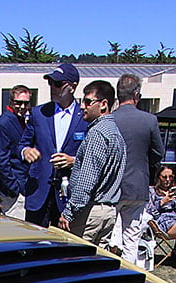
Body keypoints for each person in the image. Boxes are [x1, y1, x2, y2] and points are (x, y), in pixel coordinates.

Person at [58, 80, 126, 246]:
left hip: (90, 212)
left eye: (88, 102)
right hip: (109, 211)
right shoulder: (115, 132)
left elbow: (88, 179)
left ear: (103, 104)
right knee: (94, 266)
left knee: (75, 263)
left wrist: (68, 212)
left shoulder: (97, 133)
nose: (82, 106)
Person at [19, 63, 88, 227]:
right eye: (50, 83)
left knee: (64, 247)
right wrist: (26, 151)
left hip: (67, 195)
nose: (53, 88)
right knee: (33, 246)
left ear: (72, 87)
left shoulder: (84, 116)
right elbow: (22, 144)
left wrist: (73, 160)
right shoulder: (38, 113)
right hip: (39, 193)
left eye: (58, 84)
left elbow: (91, 155)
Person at [110, 73, 164, 268]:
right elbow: (158, 153)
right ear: (137, 95)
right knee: (131, 240)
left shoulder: (108, 120)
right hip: (138, 186)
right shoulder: (149, 120)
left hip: (112, 189)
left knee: (110, 239)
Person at [0, 85, 32, 219]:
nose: (22, 106)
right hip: (13, 192)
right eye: (18, 102)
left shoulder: (21, 121)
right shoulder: (4, 123)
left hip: (24, 187)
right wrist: (14, 188)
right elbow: (1, 160)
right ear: (10, 102)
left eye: (26, 103)